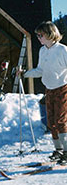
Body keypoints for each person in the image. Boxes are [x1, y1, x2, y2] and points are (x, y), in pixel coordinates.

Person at [21, 21, 67, 165]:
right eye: (38, 35)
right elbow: (40, 70)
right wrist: (24, 74)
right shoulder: (43, 51)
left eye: (41, 35)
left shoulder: (62, 50)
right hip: (49, 90)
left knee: (61, 121)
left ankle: (66, 152)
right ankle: (58, 150)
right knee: (51, 122)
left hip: (63, 88)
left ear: (50, 34)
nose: (39, 38)